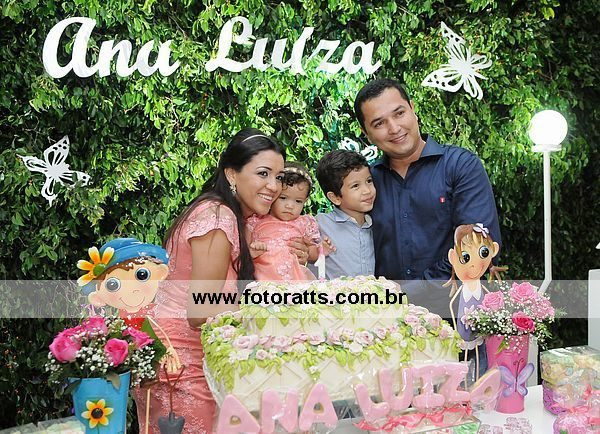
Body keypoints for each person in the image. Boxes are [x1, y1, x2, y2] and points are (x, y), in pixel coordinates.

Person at [135, 128, 286, 433]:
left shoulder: (224, 213)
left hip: (186, 360)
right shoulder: (217, 217)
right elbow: (201, 310)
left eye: (279, 177)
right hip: (182, 368)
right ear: (231, 174)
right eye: (263, 174)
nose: (273, 186)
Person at [353, 78, 501, 318]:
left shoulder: (460, 166)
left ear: (413, 109)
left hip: (456, 317)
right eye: (379, 123)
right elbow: (348, 239)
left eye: (399, 113)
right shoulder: (367, 183)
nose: (394, 128)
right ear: (366, 133)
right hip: (386, 322)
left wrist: (406, 294)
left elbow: (477, 247)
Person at [249, 162, 322, 281]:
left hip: (295, 280)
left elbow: (312, 255)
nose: (290, 206)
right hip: (264, 279)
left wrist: (320, 250)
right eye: (283, 198)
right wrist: (253, 248)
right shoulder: (257, 220)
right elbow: (244, 250)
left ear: (305, 201)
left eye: (298, 201)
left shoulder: (304, 223)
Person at [446, 223, 501, 378]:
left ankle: (480, 383)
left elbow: (489, 301)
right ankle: (461, 384)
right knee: (461, 361)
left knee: (481, 359)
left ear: (493, 250)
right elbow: (452, 303)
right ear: (453, 257)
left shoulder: (482, 289)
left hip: (480, 335)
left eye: (483, 253)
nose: (473, 265)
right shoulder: (462, 290)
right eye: (465, 257)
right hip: (462, 334)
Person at [314, 149, 376, 279]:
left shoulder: (376, 224)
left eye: (369, 181)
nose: (367, 190)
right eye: (355, 186)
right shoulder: (319, 225)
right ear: (335, 197)